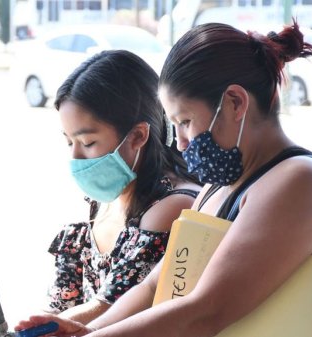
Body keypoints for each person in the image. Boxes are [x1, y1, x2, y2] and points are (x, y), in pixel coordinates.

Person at [15, 22, 312, 337]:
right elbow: (152, 289)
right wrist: (83, 330)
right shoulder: (217, 188)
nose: (179, 143)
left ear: (235, 103)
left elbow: (206, 312)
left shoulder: (301, 182)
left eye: (186, 121)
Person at [39, 49, 201, 325]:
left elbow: (111, 309)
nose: (75, 158)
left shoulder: (172, 206)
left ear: (138, 136)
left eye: (88, 143)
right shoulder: (103, 203)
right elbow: (58, 308)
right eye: (69, 142)